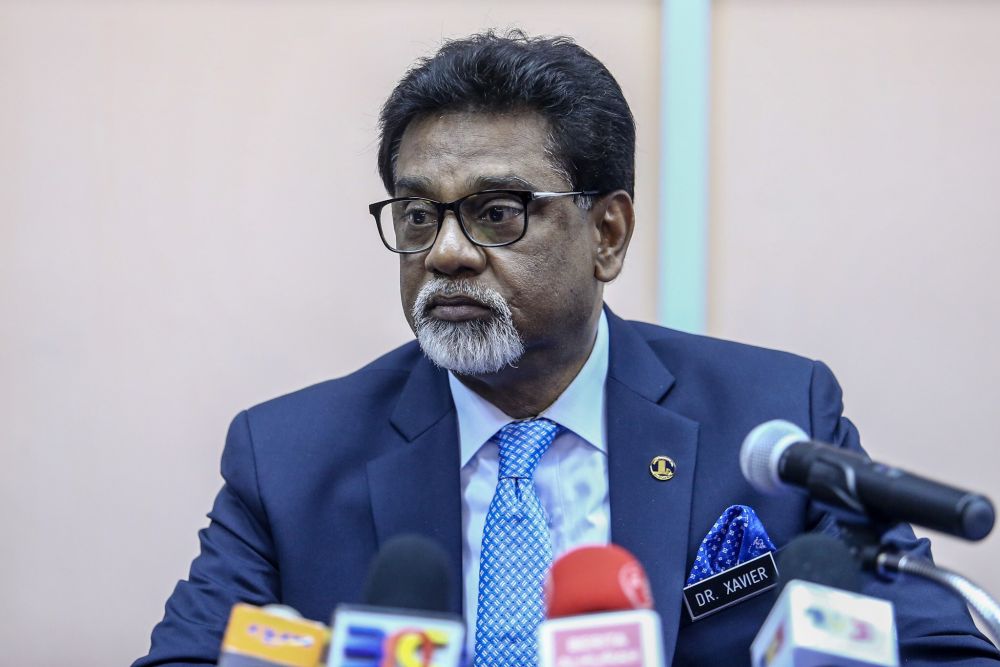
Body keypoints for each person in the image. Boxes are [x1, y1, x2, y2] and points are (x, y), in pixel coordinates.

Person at [134, 31, 999, 666]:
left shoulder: (773, 418)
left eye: (497, 212)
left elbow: (946, 651)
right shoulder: (287, 458)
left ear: (608, 233)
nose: (445, 252)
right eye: (418, 215)